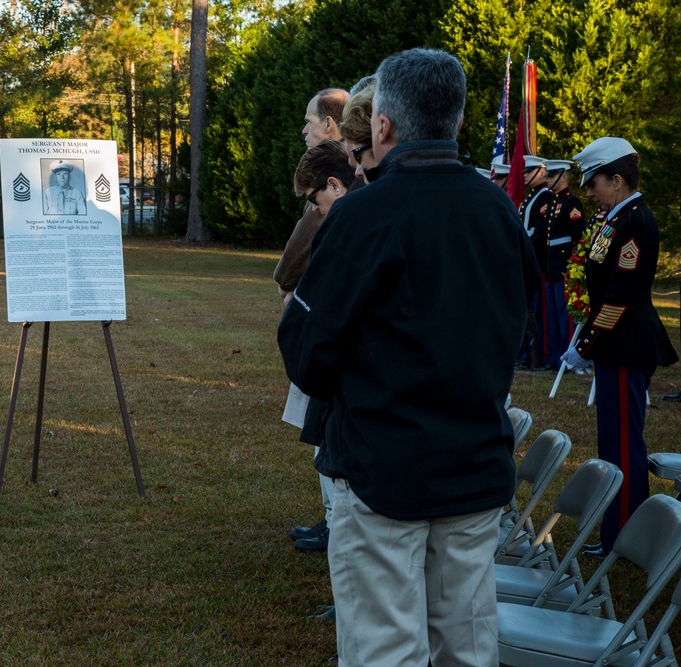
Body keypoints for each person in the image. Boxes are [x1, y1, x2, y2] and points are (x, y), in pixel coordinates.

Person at [278, 49, 538, 666]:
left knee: (385, 651)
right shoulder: (497, 210)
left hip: (382, 470)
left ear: (385, 126)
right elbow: (515, 327)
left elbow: (307, 351)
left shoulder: (365, 215)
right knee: (466, 649)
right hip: (471, 466)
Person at [561, 137, 678, 557]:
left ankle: (626, 541)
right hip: (617, 344)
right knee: (613, 442)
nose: (589, 190)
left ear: (617, 179)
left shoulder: (635, 222)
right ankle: (616, 534)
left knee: (624, 446)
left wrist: (586, 344)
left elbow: (620, 296)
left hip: (626, 343)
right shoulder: (616, 218)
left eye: (595, 182)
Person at [275, 87, 351, 553]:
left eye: (310, 120)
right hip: (314, 317)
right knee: (319, 426)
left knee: (324, 425)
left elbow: (300, 254)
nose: (304, 129)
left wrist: (288, 284)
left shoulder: (337, 177)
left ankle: (334, 523)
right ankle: (331, 519)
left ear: (330, 125)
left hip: (323, 326)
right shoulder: (330, 175)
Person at [543, 159, 587, 366]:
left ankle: (565, 358)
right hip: (551, 266)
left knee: (564, 317)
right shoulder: (552, 201)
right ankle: (554, 358)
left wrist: (574, 266)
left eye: (551, 176)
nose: (547, 179)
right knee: (552, 317)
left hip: (564, 266)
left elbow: (579, 236)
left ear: (562, 176)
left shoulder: (572, 202)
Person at [518, 155, 554, 369]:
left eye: (529, 171)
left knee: (538, 315)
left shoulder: (545, 197)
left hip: (538, 263)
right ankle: (526, 355)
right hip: (527, 259)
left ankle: (537, 355)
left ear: (541, 172)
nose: (524, 175)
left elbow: (539, 234)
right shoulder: (532, 198)